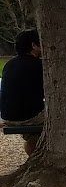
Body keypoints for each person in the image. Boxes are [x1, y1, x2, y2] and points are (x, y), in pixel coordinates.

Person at [0, 28, 44, 156]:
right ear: (34, 45)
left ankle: (35, 152)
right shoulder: (39, 66)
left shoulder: (9, 64)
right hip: (28, 117)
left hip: (8, 115)